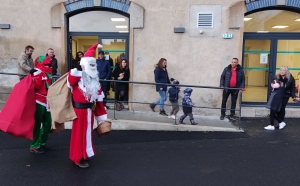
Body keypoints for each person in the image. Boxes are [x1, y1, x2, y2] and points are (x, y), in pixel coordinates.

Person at [67, 43, 107, 168]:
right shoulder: (78, 75)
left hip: (90, 110)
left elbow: (99, 99)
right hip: (79, 111)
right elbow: (71, 79)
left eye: (94, 65)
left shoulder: (94, 80)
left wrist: (102, 117)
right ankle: (77, 157)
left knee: (87, 134)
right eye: (90, 65)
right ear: (84, 64)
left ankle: (84, 154)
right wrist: (80, 69)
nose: (93, 67)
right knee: (79, 134)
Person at [29, 55, 53, 154]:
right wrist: (36, 74)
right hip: (38, 101)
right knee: (37, 124)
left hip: (47, 101)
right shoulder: (37, 73)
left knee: (48, 123)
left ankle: (42, 142)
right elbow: (37, 86)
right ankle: (34, 145)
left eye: (49, 64)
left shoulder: (48, 74)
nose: (48, 66)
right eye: (46, 64)